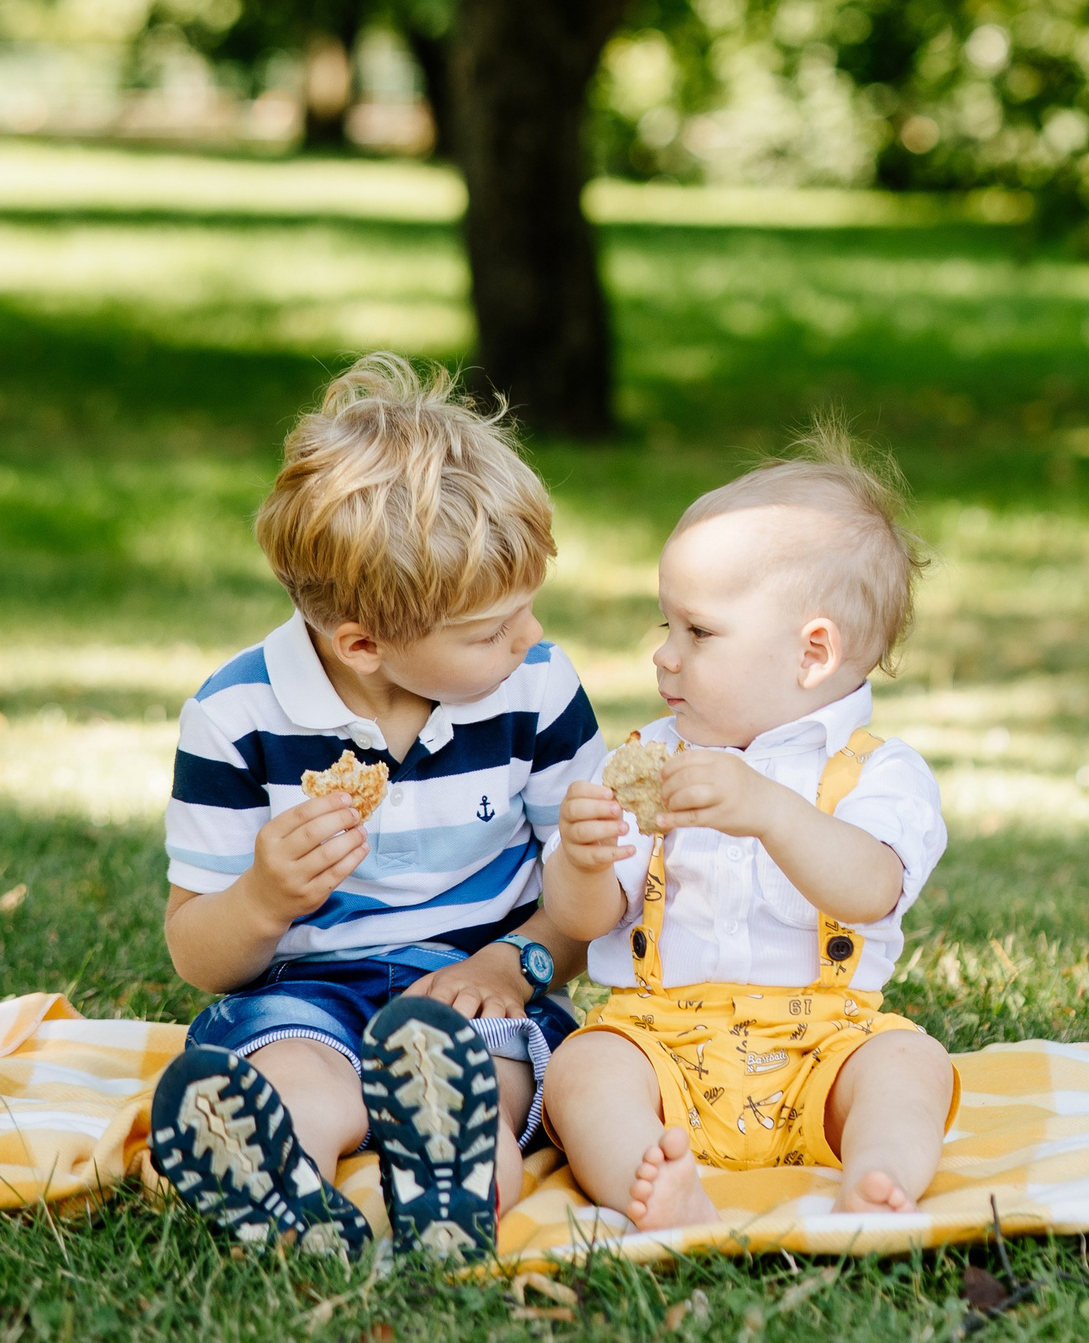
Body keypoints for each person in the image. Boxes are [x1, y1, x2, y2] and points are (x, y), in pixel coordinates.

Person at [146, 353, 602, 1263]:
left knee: (494, 1076)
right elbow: (198, 950)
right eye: (489, 630)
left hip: (480, 986)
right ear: (362, 642)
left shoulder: (537, 690)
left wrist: (516, 966)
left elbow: (583, 911)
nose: (532, 636)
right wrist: (265, 898)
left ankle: (459, 1184)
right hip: (306, 993)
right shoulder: (237, 718)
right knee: (293, 1081)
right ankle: (290, 1196)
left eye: (529, 609)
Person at [540, 427, 958, 1230]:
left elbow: (871, 888)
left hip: (824, 1045)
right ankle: (656, 1182)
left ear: (812, 653)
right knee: (583, 1068)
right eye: (666, 625)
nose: (664, 656)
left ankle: (876, 1174)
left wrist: (768, 810)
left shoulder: (877, 773)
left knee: (910, 1063)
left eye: (697, 632)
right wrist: (585, 861)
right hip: (660, 1040)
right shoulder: (645, 760)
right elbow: (584, 918)